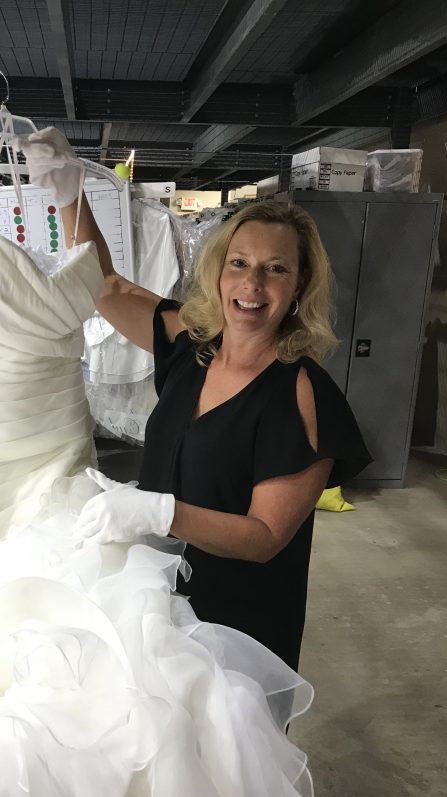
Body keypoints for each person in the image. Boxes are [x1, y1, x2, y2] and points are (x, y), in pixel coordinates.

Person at [19, 128, 372, 671]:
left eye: (275, 268)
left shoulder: (301, 393)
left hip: (240, 627)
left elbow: (265, 537)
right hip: (160, 607)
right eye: (239, 262)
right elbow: (106, 286)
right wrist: (69, 193)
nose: (252, 283)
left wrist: (159, 511)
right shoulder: (192, 349)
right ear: (218, 269)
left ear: (299, 286)